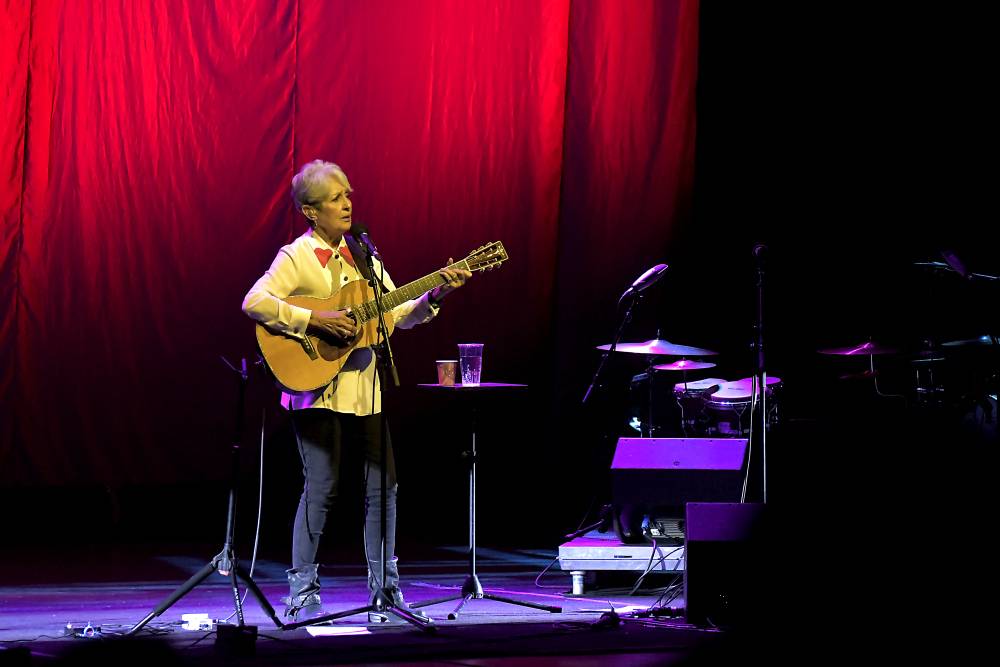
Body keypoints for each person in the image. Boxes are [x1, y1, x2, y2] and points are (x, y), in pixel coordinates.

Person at [242, 160, 471, 620]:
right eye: (335, 198)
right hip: (317, 390)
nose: (347, 204)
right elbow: (255, 301)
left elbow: (395, 313)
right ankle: (302, 591)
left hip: (366, 391)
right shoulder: (295, 257)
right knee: (322, 489)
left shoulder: (364, 255)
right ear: (310, 211)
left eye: (348, 194)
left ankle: (385, 590)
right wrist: (314, 319)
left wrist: (435, 295)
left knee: (384, 490)